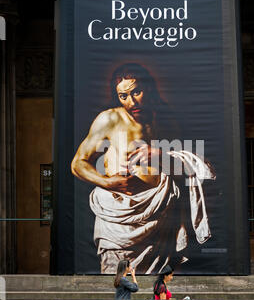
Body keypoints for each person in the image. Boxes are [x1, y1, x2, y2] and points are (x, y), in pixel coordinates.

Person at [71, 62, 215, 274]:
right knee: (117, 278)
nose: (131, 101)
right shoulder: (110, 118)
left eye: (136, 92)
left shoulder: (167, 120)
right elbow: (78, 163)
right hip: (120, 214)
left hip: (160, 212)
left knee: (157, 279)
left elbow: (180, 166)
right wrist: (109, 182)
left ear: (149, 87)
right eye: (123, 96)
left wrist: (161, 155)